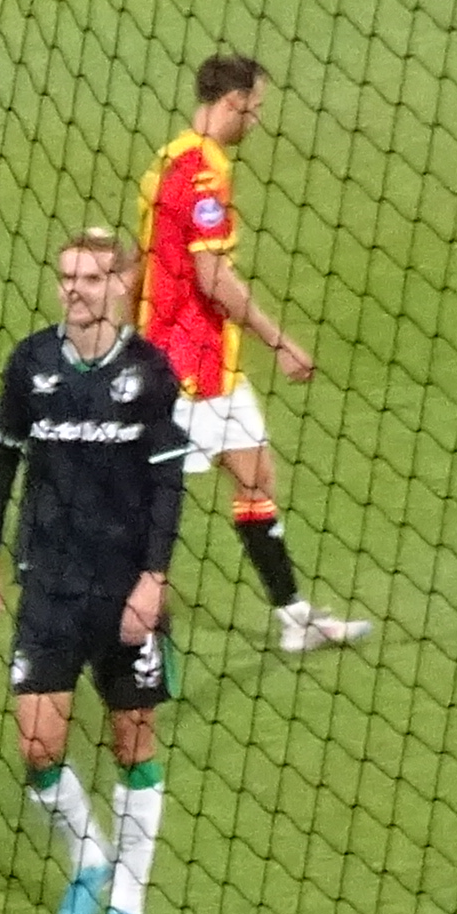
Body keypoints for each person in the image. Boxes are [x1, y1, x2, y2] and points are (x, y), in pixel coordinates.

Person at [0, 227, 192, 914]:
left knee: (132, 745)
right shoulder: (30, 364)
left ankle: (128, 894)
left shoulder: (150, 372)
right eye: (67, 276)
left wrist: (154, 581)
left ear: (121, 285)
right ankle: (90, 857)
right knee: (38, 745)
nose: (75, 289)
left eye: (91, 279)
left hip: (125, 594)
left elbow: (167, 484)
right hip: (50, 588)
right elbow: (0, 461)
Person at [144, 52, 361, 655]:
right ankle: (136, 631)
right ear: (233, 102)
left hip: (201, 361)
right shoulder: (206, 174)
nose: (257, 123)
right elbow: (212, 277)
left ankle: (294, 616)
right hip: (189, 370)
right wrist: (281, 339)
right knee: (154, 509)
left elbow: (150, 259)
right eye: (256, 110)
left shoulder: (170, 157)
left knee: (256, 475)